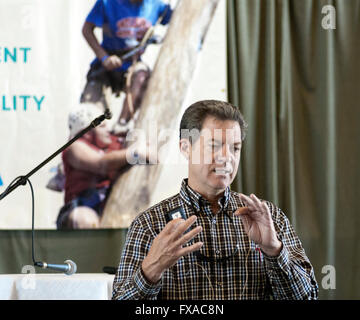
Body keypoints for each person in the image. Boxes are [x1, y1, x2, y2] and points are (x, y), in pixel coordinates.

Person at [112, 100, 319, 299]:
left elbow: (308, 296)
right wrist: (152, 269)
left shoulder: (268, 217)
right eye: (214, 146)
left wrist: (274, 250)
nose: (226, 157)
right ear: (185, 148)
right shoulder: (149, 224)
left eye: (235, 148)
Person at [81, 0, 172, 134]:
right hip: (106, 65)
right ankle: (89, 136)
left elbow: (180, 20)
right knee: (87, 113)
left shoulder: (156, 5)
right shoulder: (107, 3)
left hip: (133, 64)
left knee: (142, 77)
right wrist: (104, 57)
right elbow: (87, 29)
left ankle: (122, 125)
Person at [56, 103, 148, 229]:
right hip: (79, 208)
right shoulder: (74, 148)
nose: (108, 130)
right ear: (87, 133)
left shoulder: (111, 143)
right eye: (102, 126)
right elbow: (102, 164)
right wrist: (134, 153)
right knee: (85, 220)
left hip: (104, 205)